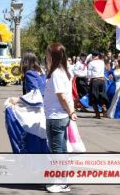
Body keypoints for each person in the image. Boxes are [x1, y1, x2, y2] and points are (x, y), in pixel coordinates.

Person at [44, 43, 77, 193]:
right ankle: (63, 180)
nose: (46, 56)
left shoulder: (57, 73)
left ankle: (58, 182)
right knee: (62, 150)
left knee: (57, 151)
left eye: (48, 54)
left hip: (56, 116)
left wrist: (71, 112)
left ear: (53, 56)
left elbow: (62, 95)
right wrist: (70, 112)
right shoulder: (64, 71)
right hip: (60, 115)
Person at [6, 51, 48, 153]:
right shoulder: (41, 72)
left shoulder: (30, 73)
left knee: (29, 133)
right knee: (42, 135)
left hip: (35, 108)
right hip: (44, 106)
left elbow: (34, 93)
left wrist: (17, 99)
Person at [87, 50, 109, 119]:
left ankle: (97, 114)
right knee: (102, 96)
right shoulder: (102, 62)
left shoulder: (91, 63)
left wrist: (88, 81)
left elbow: (89, 74)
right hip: (102, 80)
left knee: (93, 97)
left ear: (93, 56)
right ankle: (103, 106)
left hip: (95, 80)